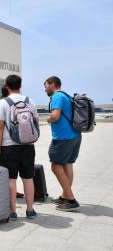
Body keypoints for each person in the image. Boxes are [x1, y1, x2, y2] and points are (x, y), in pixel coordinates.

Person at [0, 75, 38, 220]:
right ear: (20, 85)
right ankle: (30, 210)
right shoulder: (30, 101)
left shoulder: (3, 103)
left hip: (9, 146)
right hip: (28, 146)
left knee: (11, 179)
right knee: (28, 178)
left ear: (6, 85)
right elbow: (35, 122)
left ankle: (12, 212)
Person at [45, 76, 81, 212]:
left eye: (46, 85)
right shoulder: (67, 96)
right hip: (75, 136)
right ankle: (65, 196)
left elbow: (55, 116)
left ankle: (71, 200)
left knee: (55, 166)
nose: (44, 89)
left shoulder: (57, 97)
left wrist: (46, 119)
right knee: (67, 165)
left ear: (52, 85)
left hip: (63, 138)